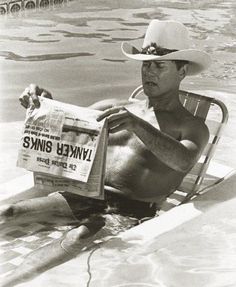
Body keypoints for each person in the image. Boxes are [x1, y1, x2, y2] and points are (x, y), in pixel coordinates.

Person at [1, 19, 211, 243]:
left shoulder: (192, 126)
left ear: (182, 71)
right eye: (145, 65)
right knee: (8, 213)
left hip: (131, 211)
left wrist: (138, 125)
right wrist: (43, 102)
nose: (149, 72)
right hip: (84, 196)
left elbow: (184, 161)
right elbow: (67, 124)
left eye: (159, 66)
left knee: (77, 238)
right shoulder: (115, 107)